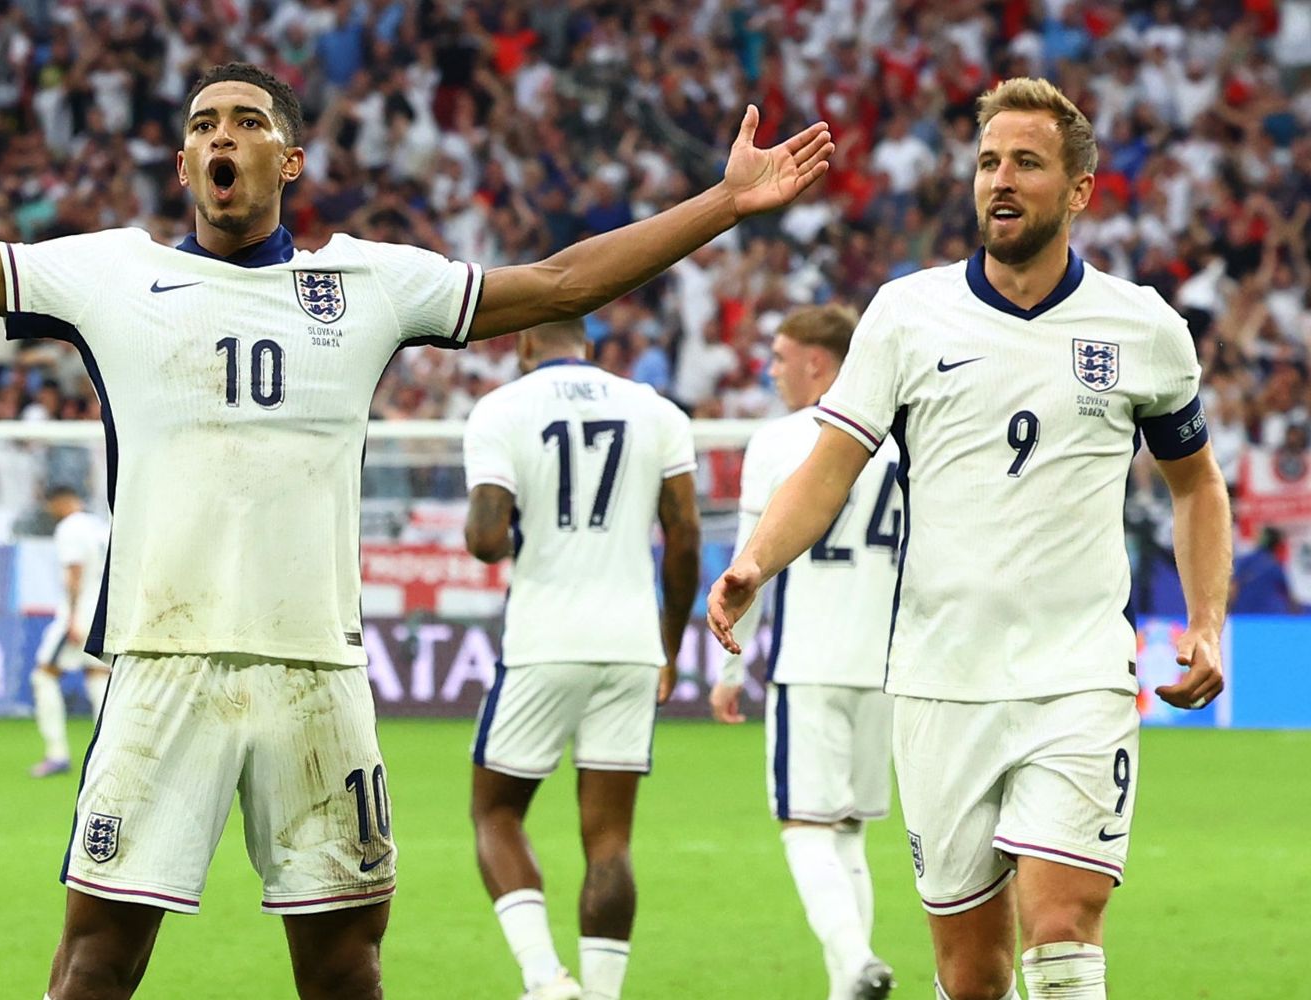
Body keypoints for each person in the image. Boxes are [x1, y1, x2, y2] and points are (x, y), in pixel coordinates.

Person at [0, 61, 831, 1000]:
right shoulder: (106, 276)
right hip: (161, 670)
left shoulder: (368, 284)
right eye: (204, 123)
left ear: (287, 157)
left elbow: (564, 282)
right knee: (95, 966)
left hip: (317, 675)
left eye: (245, 120)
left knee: (343, 969)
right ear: (183, 162)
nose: (222, 136)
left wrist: (725, 202)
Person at [707, 79, 1228, 1000]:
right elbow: (830, 465)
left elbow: (1196, 482)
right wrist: (756, 560)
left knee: (1064, 932)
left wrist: (1206, 619)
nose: (1001, 179)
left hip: (1079, 676)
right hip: (939, 682)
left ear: (1079, 191)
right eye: (989, 161)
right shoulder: (907, 315)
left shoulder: (1143, 326)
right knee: (971, 973)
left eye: (1027, 162)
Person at [459, 319, 700, 1000]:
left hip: (545, 638)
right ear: (589, 344)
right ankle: (600, 994)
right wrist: (670, 644)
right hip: (630, 643)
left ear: (525, 344)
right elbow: (683, 538)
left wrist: (519, 534)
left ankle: (544, 977)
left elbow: (484, 536)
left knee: (496, 813)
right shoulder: (655, 410)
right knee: (610, 840)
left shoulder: (502, 410)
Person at [710, 305, 902, 1000]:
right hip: (885, 665)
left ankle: (854, 961)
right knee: (847, 832)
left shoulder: (782, 440)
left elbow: (748, 564)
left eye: (781, 355)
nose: (771, 367)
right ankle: (847, 984)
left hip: (808, 658)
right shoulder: (901, 442)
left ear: (819, 363)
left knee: (803, 825)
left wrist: (731, 669)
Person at [29, 484, 113, 778]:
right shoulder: (100, 526)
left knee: (43, 675)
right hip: (104, 613)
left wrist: (74, 616)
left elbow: (74, 573)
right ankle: (109, 754)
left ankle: (57, 753)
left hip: (79, 613)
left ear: (59, 502)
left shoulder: (69, 528)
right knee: (98, 678)